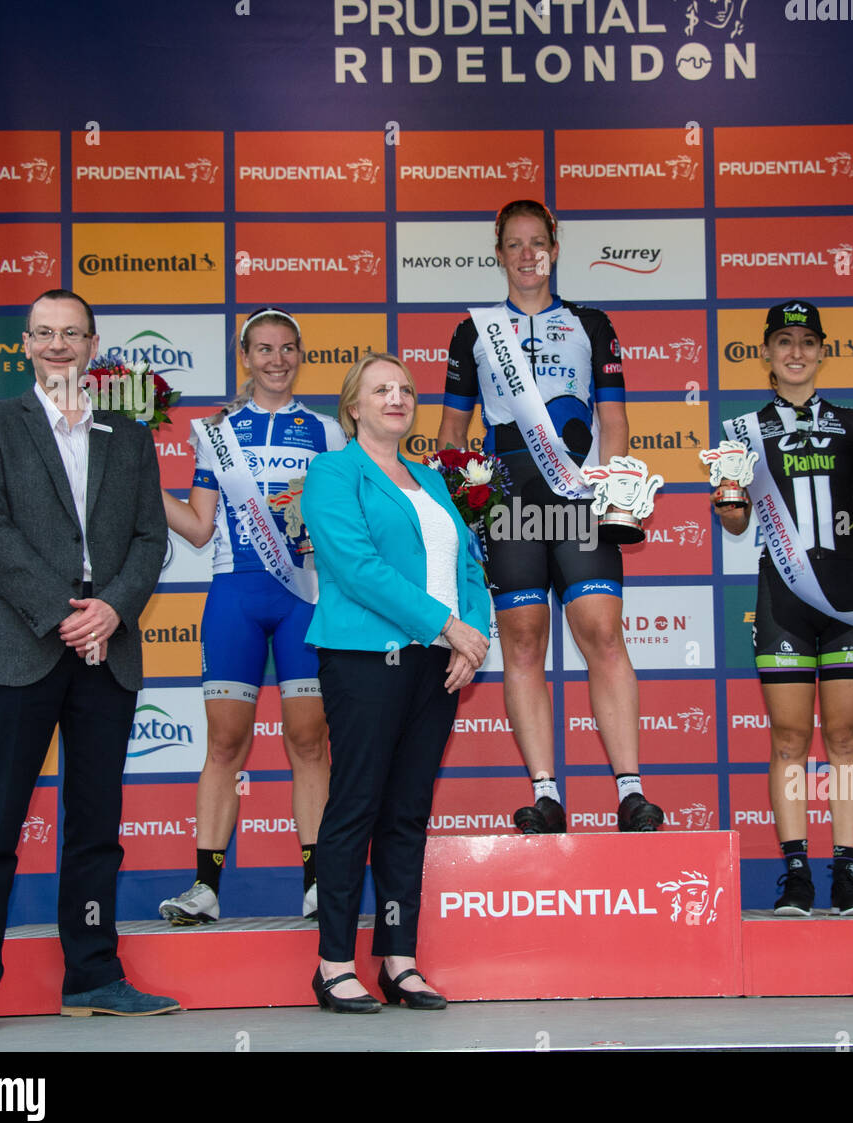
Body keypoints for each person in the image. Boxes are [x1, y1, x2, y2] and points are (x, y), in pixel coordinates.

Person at [0, 289, 176, 1031]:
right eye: (43, 333)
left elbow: (150, 540)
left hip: (109, 642)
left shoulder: (129, 433)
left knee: (95, 823)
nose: (56, 345)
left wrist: (111, 608)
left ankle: (93, 974)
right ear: (24, 343)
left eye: (70, 333)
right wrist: (64, 614)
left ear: (92, 342)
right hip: (23, 640)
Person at [437, 199, 663, 835]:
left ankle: (630, 792)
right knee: (525, 643)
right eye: (515, 244)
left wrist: (614, 495)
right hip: (507, 505)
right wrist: (462, 516)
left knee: (602, 633)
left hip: (578, 499)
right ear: (499, 253)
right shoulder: (473, 331)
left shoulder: (591, 323)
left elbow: (613, 420)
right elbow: (453, 431)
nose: (528, 254)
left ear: (555, 249)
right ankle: (545, 793)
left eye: (538, 242)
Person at [301, 352, 491, 1012]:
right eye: (381, 388)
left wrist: (474, 635)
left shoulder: (430, 480)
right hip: (364, 657)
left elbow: (468, 559)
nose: (397, 397)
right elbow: (355, 567)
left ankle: (399, 959)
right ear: (353, 406)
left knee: (407, 813)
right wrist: (447, 625)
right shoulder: (332, 471)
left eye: (406, 388)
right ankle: (332, 964)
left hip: (434, 663)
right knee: (356, 805)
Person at [157, 308, 345, 926]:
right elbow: (198, 525)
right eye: (263, 349)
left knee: (308, 741)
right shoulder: (214, 432)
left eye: (287, 349)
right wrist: (139, 481)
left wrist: (320, 532)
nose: (275, 359)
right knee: (225, 743)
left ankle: (319, 885)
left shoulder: (326, 431)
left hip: (303, 598)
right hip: (235, 595)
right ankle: (204, 889)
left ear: (299, 355)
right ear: (246, 357)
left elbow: (340, 521)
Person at [712, 301, 853, 917]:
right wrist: (728, 498)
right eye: (784, 341)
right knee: (788, 738)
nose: (796, 352)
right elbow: (736, 525)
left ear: (822, 353)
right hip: (781, 598)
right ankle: (797, 873)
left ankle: (848, 873)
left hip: (847, 596)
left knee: (845, 739)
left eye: (808, 341)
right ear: (766, 354)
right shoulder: (742, 431)